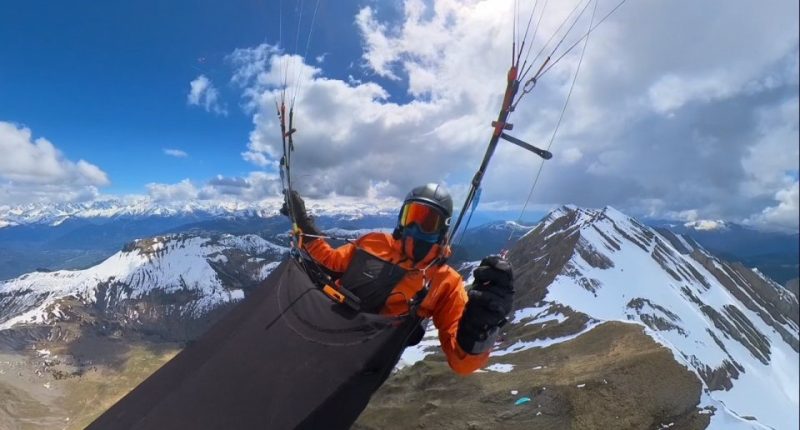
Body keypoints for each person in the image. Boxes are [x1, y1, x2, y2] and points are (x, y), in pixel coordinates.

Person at [282, 183, 515, 375]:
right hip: (323, 327)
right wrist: (304, 224)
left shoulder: (445, 282)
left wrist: (479, 329)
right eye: (410, 217)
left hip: (362, 362)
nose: (414, 227)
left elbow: (461, 362)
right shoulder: (374, 242)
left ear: (442, 229)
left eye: (427, 222)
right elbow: (331, 261)